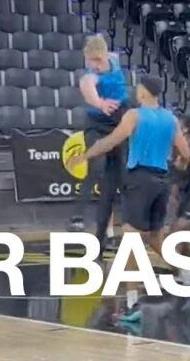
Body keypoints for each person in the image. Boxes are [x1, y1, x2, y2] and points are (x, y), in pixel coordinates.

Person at [66, 75, 190, 319]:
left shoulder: (134, 115)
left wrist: (84, 156)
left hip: (139, 180)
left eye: (138, 90)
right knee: (156, 238)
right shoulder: (171, 119)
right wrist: (179, 169)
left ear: (144, 93)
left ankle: (132, 303)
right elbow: (186, 153)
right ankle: (184, 273)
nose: (135, 93)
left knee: (131, 241)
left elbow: (110, 142)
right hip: (162, 181)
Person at [69, 35, 130, 251]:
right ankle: (77, 217)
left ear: (105, 55)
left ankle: (110, 232)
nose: (92, 64)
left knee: (116, 176)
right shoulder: (89, 75)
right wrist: (100, 103)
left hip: (119, 120)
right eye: (89, 60)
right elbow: (88, 89)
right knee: (96, 166)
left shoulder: (114, 59)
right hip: (97, 122)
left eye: (96, 60)